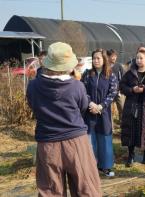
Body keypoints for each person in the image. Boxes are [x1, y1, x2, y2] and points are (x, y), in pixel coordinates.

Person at [26, 42, 102, 196]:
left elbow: (33, 106)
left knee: (51, 191)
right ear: (68, 66)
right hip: (75, 141)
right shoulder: (77, 86)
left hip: (47, 143)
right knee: (86, 188)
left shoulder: (33, 86)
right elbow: (82, 108)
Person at [81, 48, 118, 177]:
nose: (96, 61)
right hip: (89, 111)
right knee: (91, 139)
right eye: (94, 58)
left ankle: (106, 166)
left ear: (104, 59)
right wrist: (90, 103)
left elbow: (112, 93)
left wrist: (101, 106)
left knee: (105, 139)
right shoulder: (87, 74)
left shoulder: (110, 75)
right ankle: (91, 166)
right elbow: (83, 91)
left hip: (104, 113)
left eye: (98, 58)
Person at [107, 49, 125, 123]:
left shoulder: (119, 66)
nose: (114, 58)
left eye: (115, 56)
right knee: (108, 110)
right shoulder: (105, 66)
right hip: (108, 91)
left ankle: (123, 123)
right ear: (108, 57)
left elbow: (123, 78)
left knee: (122, 107)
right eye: (112, 56)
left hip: (118, 91)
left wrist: (121, 89)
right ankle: (110, 125)